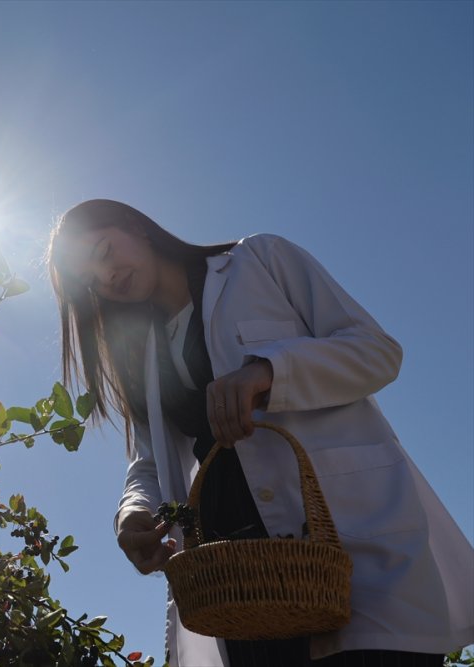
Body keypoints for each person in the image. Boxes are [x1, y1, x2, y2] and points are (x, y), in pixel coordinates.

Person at [46, 199, 474, 667]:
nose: (107, 277)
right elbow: (148, 463)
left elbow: (377, 351)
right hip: (238, 580)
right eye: (91, 281)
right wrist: (133, 514)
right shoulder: (141, 356)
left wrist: (270, 372)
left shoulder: (260, 260)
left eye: (104, 252)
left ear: (137, 226)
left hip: (353, 545)